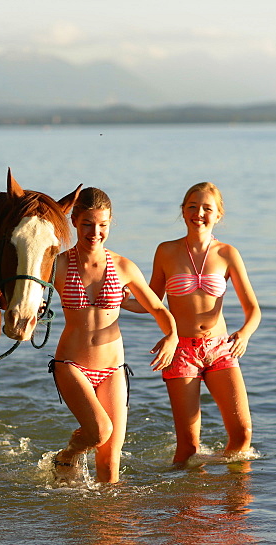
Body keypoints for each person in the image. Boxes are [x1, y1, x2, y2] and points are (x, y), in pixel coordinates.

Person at [49, 187, 178, 484]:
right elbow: (21, 292)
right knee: (99, 431)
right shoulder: (57, 264)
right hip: (71, 364)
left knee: (109, 461)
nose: (95, 232)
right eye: (87, 224)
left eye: (103, 225)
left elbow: (158, 308)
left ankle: (108, 525)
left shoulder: (123, 266)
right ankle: (67, 455)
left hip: (113, 369)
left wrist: (171, 336)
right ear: (74, 221)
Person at [132, 182, 260, 464]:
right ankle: (188, 505)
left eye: (206, 208)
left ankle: (236, 500)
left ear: (218, 215)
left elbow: (253, 309)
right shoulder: (166, 251)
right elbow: (151, 301)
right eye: (192, 206)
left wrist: (245, 334)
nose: (198, 213)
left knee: (242, 434)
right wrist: (108, 301)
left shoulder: (228, 254)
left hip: (221, 349)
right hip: (181, 352)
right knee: (188, 446)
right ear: (182, 211)